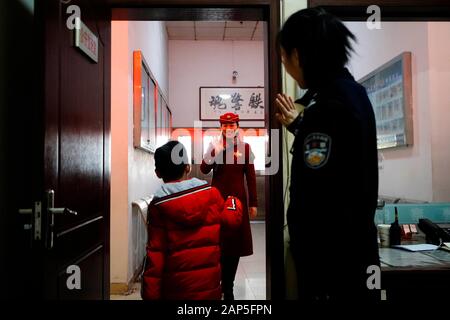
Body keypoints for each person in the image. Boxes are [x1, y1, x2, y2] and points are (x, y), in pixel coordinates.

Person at [275, 8, 380, 301]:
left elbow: (320, 190)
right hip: (353, 254)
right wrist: (299, 125)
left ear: (298, 55)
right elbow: (335, 157)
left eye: (284, 59)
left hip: (333, 265)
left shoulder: (328, 106)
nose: (286, 67)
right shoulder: (352, 94)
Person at [141, 140, 243, 300]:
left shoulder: (158, 207)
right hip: (210, 288)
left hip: (175, 291)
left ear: (158, 173)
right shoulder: (211, 194)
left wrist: (150, 295)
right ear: (188, 167)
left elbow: (155, 256)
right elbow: (231, 221)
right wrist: (233, 201)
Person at [200, 112, 258, 300]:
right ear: (220, 128)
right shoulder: (214, 146)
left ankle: (229, 287)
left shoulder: (246, 148)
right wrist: (214, 151)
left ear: (237, 126)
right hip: (216, 204)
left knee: (234, 248)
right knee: (217, 246)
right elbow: (203, 169)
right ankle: (216, 283)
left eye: (232, 125)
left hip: (238, 205)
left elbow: (251, 177)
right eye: (225, 125)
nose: (228, 128)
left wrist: (254, 203)